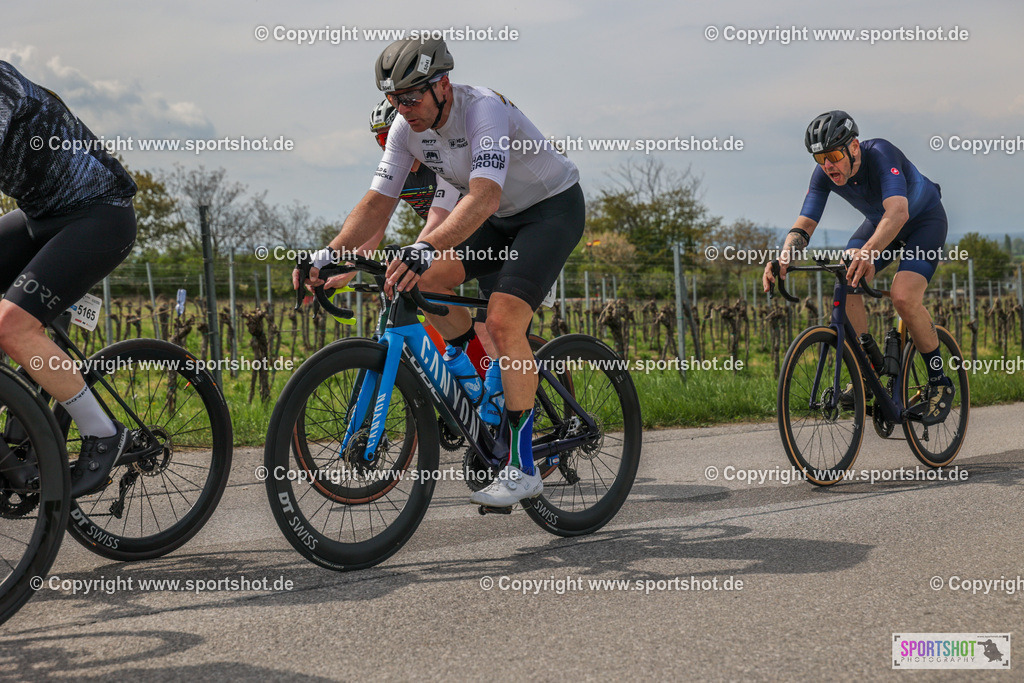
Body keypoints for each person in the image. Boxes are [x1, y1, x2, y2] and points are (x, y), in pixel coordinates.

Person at [296, 38, 584, 506]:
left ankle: (524, 468)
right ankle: (478, 385)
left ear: (442, 85)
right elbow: (375, 207)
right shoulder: (404, 130)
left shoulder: (482, 110)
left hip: (549, 211)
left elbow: (485, 195)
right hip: (496, 219)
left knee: (503, 321)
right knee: (424, 280)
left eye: (411, 97)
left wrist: (424, 246)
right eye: (394, 99)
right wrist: (326, 255)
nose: (403, 109)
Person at [0, 60, 138, 497]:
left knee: (11, 326)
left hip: (99, 215)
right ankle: (22, 428)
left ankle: (103, 432)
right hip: (39, 216)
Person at [763, 110, 953, 423]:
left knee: (903, 296)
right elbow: (805, 224)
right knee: (844, 273)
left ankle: (939, 382)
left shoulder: (880, 154)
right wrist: (784, 259)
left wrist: (867, 252)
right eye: (820, 158)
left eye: (834, 155)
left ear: (853, 147)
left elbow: (899, 212)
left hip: (923, 222)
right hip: (882, 225)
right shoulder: (824, 174)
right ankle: (867, 369)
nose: (828, 165)